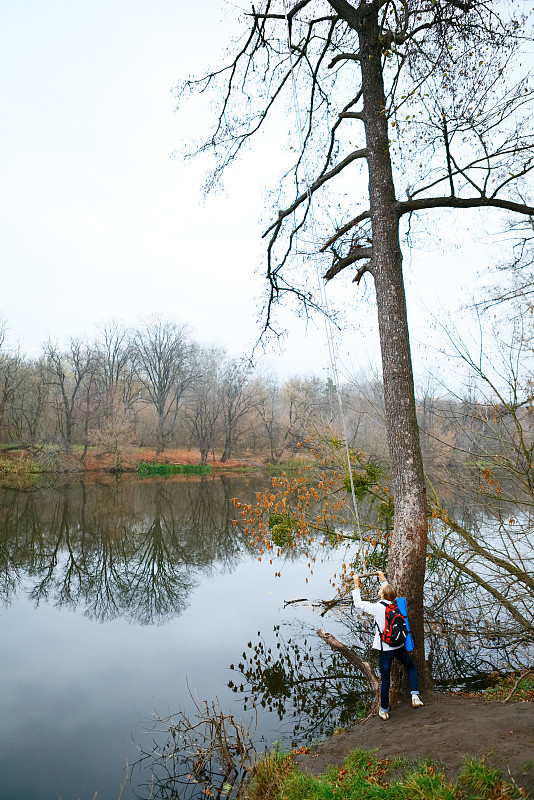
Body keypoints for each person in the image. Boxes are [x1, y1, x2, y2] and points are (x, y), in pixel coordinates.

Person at [352, 570, 424, 720]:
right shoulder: (395, 604)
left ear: (383, 595)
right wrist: (383, 579)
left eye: (380, 590)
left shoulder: (377, 608)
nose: (379, 591)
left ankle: (384, 710)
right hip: (399, 646)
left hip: (385, 649)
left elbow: (358, 604)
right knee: (410, 666)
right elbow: (390, 592)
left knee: (385, 680)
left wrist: (356, 584)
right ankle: (415, 695)